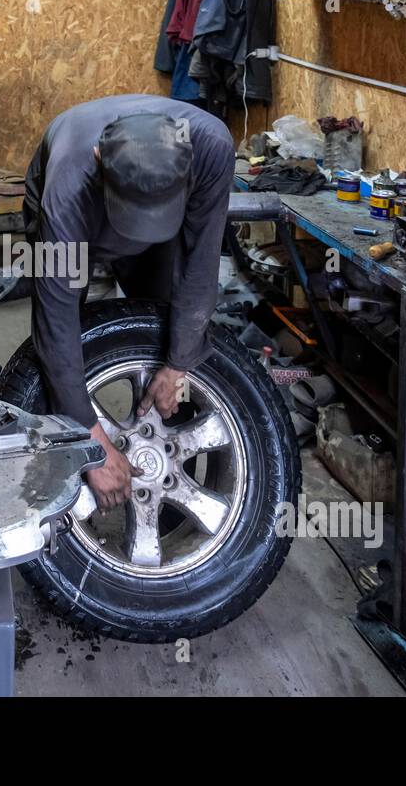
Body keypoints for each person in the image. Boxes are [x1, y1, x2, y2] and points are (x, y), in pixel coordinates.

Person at [23, 94, 235, 509]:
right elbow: (55, 318)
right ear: (100, 158)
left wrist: (178, 363)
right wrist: (90, 439)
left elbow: (201, 264)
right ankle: (66, 475)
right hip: (78, 209)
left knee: (160, 330)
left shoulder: (210, 148)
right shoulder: (67, 188)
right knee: (59, 353)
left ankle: (167, 495)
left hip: (162, 222)